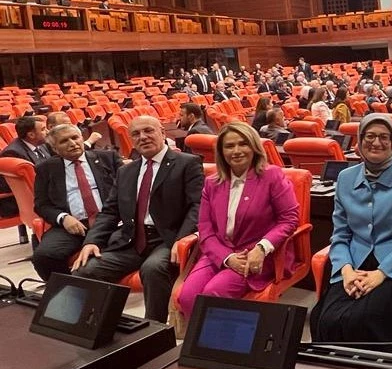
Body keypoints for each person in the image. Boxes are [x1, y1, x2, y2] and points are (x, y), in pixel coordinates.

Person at [313, 114, 392, 355]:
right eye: (369, 136)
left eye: (383, 137)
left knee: (362, 318)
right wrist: (346, 270)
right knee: (325, 318)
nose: (376, 143)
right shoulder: (346, 178)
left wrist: (382, 273)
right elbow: (340, 234)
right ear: (359, 140)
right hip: (356, 260)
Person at [71, 116, 204, 322]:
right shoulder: (126, 171)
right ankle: (99, 326)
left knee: (153, 269)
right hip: (131, 240)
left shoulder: (187, 163)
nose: (143, 137)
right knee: (84, 270)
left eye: (148, 131)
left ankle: (154, 329)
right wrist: (92, 241)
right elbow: (110, 211)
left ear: (162, 132)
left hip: (167, 239)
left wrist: (180, 239)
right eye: (136, 134)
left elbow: (197, 206)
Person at [177, 122, 299, 317]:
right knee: (187, 297)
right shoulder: (212, 182)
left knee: (213, 294)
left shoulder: (272, 176)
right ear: (221, 151)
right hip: (220, 252)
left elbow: (289, 219)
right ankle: (207, 337)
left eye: (243, 144)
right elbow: (205, 228)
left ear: (254, 146)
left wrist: (262, 248)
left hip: (258, 254)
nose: (236, 151)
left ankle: (220, 336)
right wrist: (227, 258)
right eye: (229, 146)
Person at [32, 124, 121, 281]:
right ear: (55, 148)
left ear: (82, 138)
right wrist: (63, 218)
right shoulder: (46, 168)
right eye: (64, 141)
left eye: (75, 138)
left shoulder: (108, 158)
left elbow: (129, 190)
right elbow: (41, 204)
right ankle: (71, 290)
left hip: (110, 221)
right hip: (72, 225)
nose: (72, 143)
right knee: (43, 256)